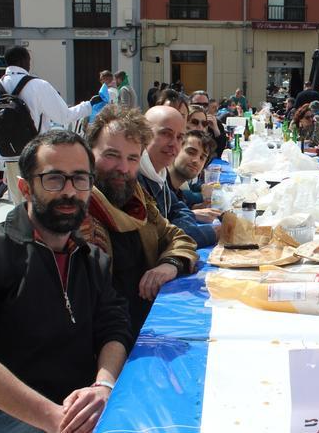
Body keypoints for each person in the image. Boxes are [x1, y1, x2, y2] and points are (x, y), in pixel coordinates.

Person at [0, 130, 133, 432]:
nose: (69, 191)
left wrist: (104, 386)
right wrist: (54, 419)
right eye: (54, 178)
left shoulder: (91, 259)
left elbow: (114, 326)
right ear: (25, 188)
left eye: (80, 178)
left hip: (64, 409)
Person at [81, 105, 198, 335]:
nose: (123, 168)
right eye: (111, 155)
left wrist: (170, 264)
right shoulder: (78, 214)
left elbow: (177, 236)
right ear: (89, 155)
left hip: (150, 326)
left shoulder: (136, 198)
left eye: (132, 158)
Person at [0, 46, 93, 205]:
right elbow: (64, 116)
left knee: (19, 203)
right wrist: (88, 106)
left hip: (9, 155)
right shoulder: (39, 85)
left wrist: (10, 137)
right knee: (41, 201)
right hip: (36, 153)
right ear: (24, 61)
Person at [138, 105, 218, 247]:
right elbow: (163, 238)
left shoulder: (158, 175)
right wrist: (217, 232)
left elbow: (180, 211)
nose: (173, 143)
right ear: (143, 135)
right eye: (166, 133)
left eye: (179, 137)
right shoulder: (135, 179)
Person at [168, 130, 221, 223]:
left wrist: (195, 208)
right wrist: (192, 214)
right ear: (175, 150)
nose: (196, 160)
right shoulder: (159, 186)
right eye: (191, 152)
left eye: (202, 157)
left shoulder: (177, 192)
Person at [197, 92, 227, 157]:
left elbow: (221, 149)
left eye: (217, 107)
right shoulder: (189, 122)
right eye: (213, 107)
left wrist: (216, 129)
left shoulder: (217, 123)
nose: (216, 109)